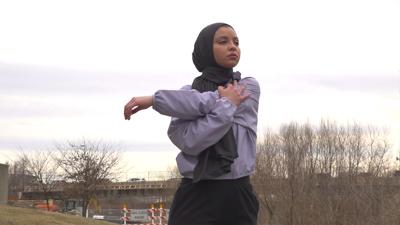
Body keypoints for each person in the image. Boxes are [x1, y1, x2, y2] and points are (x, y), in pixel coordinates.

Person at [124, 22, 260, 225]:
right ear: (205, 49)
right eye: (223, 41)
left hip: (237, 195)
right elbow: (190, 141)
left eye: (236, 42)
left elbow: (198, 103)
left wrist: (156, 100)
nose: (233, 46)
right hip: (195, 194)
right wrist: (227, 105)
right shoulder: (186, 93)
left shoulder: (247, 87)